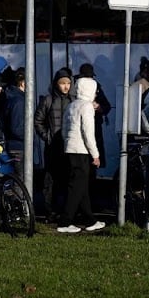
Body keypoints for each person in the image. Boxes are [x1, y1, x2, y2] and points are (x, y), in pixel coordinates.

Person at [56, 76, 106, 233]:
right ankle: (65, 222)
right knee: (76, 188)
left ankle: (90, 220)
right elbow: (88, 133)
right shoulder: (87, 107)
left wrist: (67, 144)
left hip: (70, 149)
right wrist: (95, 154)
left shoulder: (72, 105)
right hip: (81, 151)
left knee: (81, 187)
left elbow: (64, 129)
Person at [34, 67, 74, 222]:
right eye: (62, 83)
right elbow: (38, 121)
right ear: (56, 84)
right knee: (50, 180)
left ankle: (64, 210)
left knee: (66, 179)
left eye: (68, 83)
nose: (66, 86)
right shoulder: (48, 100)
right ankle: (50, 211)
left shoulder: (73, 100)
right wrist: (47, 137)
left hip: (69, 147)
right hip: (53, 148)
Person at [0, 67, 28, 172]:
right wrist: (30, 136)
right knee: (20, 178)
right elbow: (17, 128)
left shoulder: (11, 96)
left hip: (14, 145)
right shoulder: (19, 101)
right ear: (23, 83)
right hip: (19, 146)